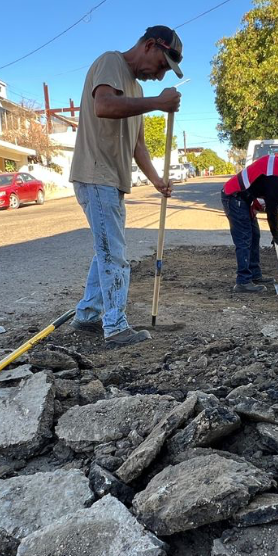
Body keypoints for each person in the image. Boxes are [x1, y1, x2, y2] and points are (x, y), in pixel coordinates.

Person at [69, 26, 184, 346]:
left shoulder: (133, 87)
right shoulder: (111, 63)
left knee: (105, 249)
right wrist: (158, 103)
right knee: (114, 254)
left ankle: (89, 313)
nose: (160, 77)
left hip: (112, 181)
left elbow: (138, 146)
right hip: (95, 175)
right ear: (150, 45)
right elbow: (103, 106)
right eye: (162, 65)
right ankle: (116, 326)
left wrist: (157, 181)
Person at [219, 152, 278, 292]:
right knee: (244, 238)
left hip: (245, 198)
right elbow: (272, 212)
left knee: (254, 235)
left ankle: (254, 274)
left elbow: (260, 186)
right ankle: (242, 282)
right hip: (234, 195)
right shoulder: (277, 178)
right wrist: (276, 236)